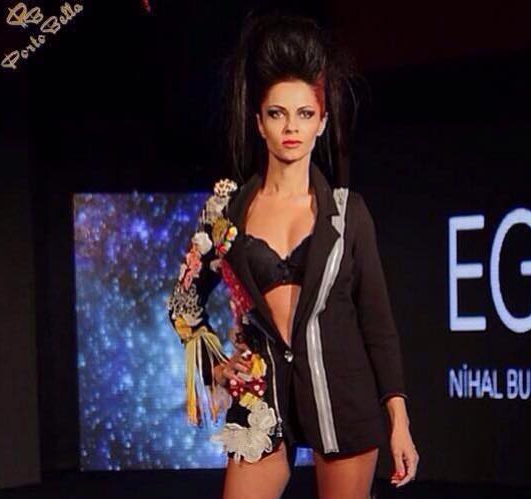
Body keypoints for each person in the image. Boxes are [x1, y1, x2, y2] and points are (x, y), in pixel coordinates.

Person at [167, 10, 418, 499]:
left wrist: (399, 421)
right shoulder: (227, 214)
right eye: (277, 113)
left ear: (321, 122)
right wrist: (215, 365)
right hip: (261, 401)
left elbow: (378, 324)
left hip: (341, 396)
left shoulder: (347, 214)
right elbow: (183, 299)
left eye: (305, 114)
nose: (291, 127)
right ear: (259, 123)